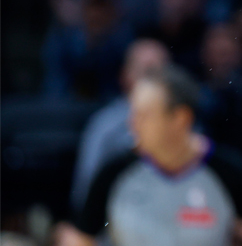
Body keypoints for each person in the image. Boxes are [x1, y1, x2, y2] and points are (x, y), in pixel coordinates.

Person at [56, 66, 242, 246]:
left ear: (180, 118)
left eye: (144, 115)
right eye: (133, 114)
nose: (132, 124)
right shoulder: (115, 172)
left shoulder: (230, 172)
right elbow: (79, 236)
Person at [69, 38, 169, 212]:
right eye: (148, 71)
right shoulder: (104, 126)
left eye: (162, 71)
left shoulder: (182, 122)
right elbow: (84, 191)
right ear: (125, 76)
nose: (156, 80)